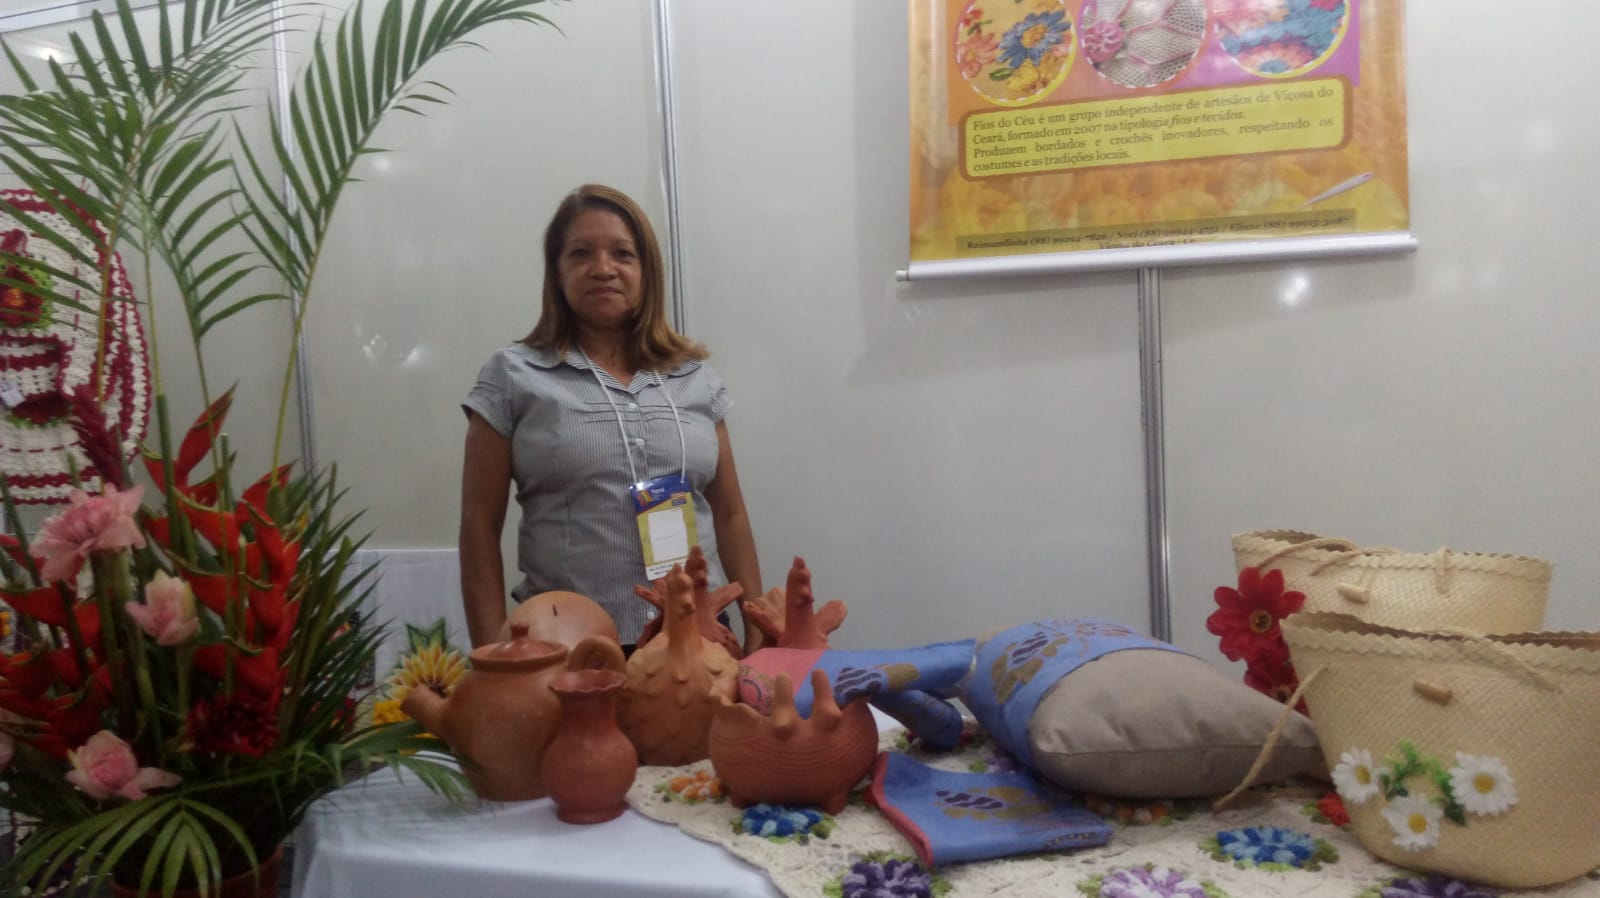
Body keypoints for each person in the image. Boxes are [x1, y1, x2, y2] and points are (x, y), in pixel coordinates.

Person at [459, 183, 764, 655]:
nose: (603, 269)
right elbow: (479, 526)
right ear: (557, 271)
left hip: (697, 639)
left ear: (646, 270)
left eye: (622, 253)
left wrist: (757, 628)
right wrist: (490, 654)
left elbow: (730, 514)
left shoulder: (695, 378)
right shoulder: (513, 376)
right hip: (567, 648)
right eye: (581, 253)